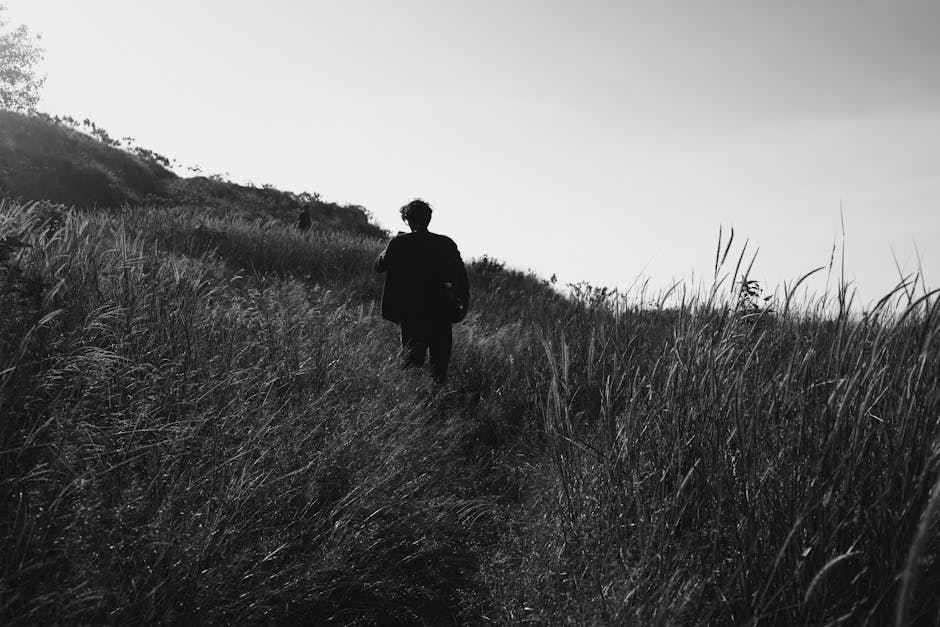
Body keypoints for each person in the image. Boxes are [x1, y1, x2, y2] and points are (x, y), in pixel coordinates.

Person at [375, 199, 469, 384]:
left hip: (412, 315)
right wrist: (461, 308)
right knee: (439, 371)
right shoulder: (446, 244)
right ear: (429, 219)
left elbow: (379, 266)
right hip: (442, 314)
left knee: (411, 368)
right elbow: (462, 277)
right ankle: (438, 408)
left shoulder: (400, 242)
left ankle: (415, 408)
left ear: (407, 220)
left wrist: (390, 246)